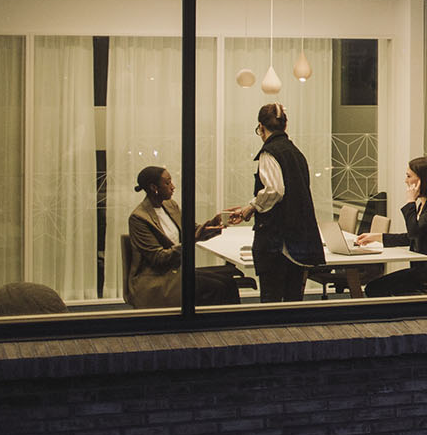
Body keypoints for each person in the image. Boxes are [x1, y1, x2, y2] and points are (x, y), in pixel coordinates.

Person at [223, 103, 325, 301]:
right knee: (293, 299)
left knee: (271, 300)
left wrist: (251, 207)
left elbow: (275, 190)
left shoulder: (269, 153)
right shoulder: (295, 153)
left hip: (277, 241)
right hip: (298, 238)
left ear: (261, 127)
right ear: (285, 126)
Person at [127, 166, 241, 308]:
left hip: (177, 272)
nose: (173, 187)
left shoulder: (170, 205)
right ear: (153, 187)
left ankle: (232, 327)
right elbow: (158, 258)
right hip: (157, 278)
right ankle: (213, 326)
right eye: (167, 183)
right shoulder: (139, 217)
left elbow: (193, 230)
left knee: (228, 282)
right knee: (218, 287)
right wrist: (191, 240)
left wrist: (216, 221)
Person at [354, 155, 427, 297]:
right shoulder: (426, 202)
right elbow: (413, 236)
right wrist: (377, 237)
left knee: (374, 288)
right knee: (375, 287)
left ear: (423, 179)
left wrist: (410, 202)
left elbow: (414, 232)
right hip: (425, 269)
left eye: (409, 176)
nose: (406, 181)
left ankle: (394, 317)